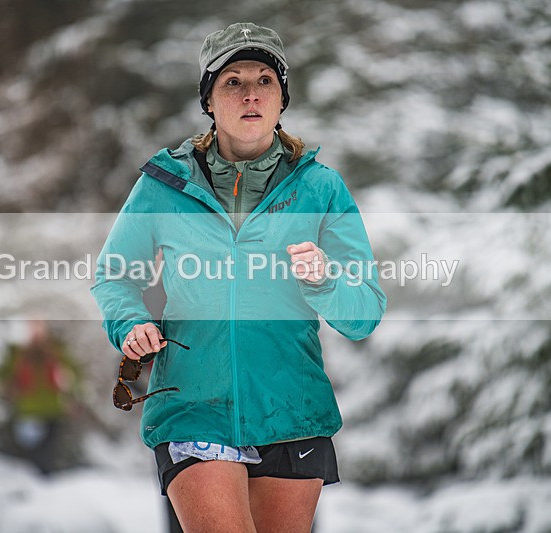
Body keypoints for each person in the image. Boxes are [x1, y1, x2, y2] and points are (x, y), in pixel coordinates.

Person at [92, 22, 386, 533]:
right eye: (233, 81)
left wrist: (325, 280)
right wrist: (130, 323)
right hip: (192, 405)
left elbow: (364, 314)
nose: (251, 93)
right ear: (209, 100)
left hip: (292, 411)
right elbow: (114, 275)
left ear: (281, 98)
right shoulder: (165, 185)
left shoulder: (320, 188)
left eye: (265, 80)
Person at [0, 319, 81, 474]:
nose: (36, 332)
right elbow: (4, 377)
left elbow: (73, 375)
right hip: (28, 411)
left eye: (39, 327)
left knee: (46, 456)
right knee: (28, 454)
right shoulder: (17, 352)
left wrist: (72, 397)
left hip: (53, 410)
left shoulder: (56, 350)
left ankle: (42, 487)